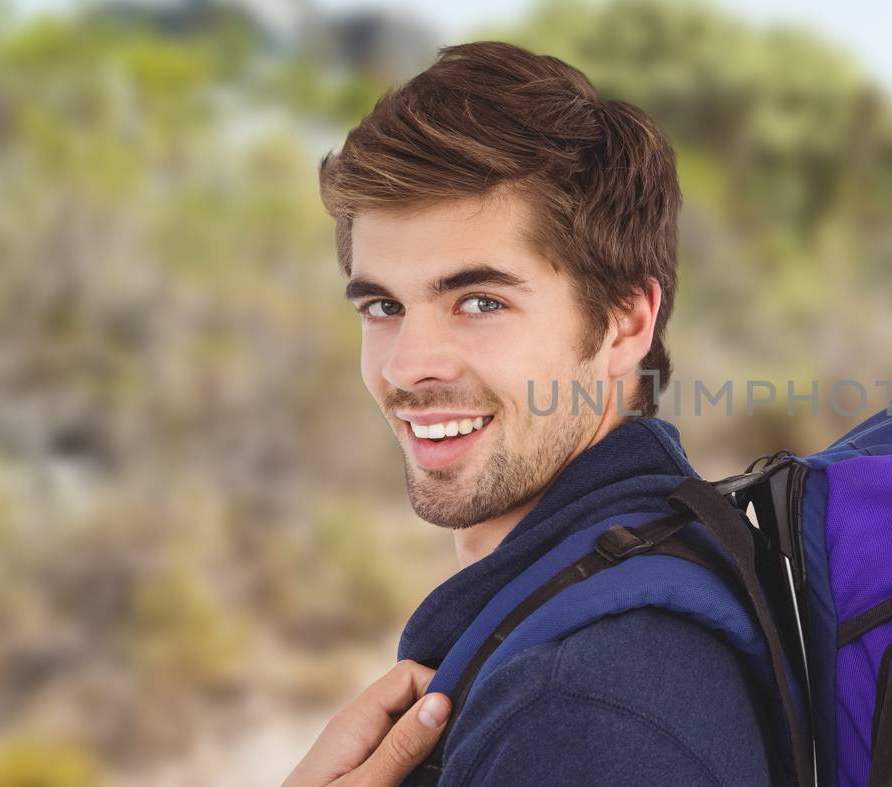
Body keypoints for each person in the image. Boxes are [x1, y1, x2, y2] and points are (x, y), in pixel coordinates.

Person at [283, 41, 775, 787]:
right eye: (383, 305)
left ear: (625, 322)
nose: (408, 365)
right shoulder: (645, 573)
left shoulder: (577, 710)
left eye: (480, 302)